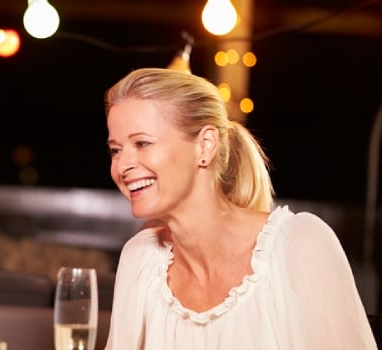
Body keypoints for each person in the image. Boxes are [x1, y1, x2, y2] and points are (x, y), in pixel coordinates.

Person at [103, 68, 376, 349]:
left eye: (142, 143)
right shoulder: (140, 258)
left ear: (205, 146)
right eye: (116, 150)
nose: (122, 166)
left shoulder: (300, 244)